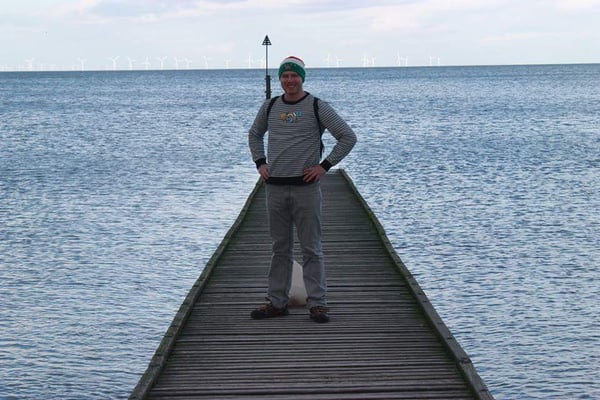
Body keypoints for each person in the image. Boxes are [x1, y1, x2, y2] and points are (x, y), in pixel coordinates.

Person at [248, 56, 357, 323]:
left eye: (294, 76)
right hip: (274, 188)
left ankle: (317, 303)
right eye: (285, 76)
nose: (289, 80)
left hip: (305, 188)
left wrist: (324, 166)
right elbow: (254, 134)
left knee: (312, 248)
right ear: (280, 80)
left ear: (302, 78)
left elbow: (347, 136)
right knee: (280, 248)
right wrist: (260, 162)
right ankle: (276, 302)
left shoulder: (318, 106)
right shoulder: (270, 106)